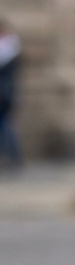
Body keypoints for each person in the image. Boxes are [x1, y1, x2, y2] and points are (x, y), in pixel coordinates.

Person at [0, 20, 20, 168]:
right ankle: (12, 157)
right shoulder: (12, 46)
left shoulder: (8, 48)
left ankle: (13, 157)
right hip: (7, 92)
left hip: (4, 93)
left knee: (5, 125)